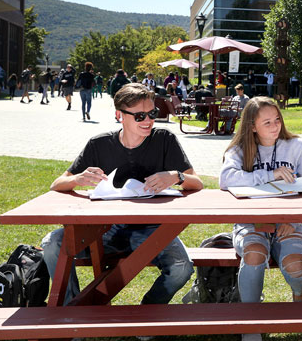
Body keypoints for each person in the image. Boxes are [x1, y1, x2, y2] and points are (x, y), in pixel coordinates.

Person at [40, 84, 203, 306]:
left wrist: (176, 176)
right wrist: (77, 180)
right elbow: (57, 184)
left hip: (152, 229)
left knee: (182, 268)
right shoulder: (99, 144)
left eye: (153, 113)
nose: (148, 121)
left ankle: (148, 312)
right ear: (120, 116)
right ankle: (72, 311)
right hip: (105, 229)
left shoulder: (164, 139)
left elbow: (197, 182)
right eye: (140, 116)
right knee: (52, 242)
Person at [219, 97, 302, 341]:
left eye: (277, 120)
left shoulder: (297, 147)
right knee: (253, 255)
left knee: (296, 267)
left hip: (288, 223)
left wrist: (291, 220)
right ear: (252, 126)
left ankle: (299, 293)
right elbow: (226, 179)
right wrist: (268, 174)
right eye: (267, 122)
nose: (274, 126)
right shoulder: (238, 150)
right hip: (251, 223)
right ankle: (251, 322)